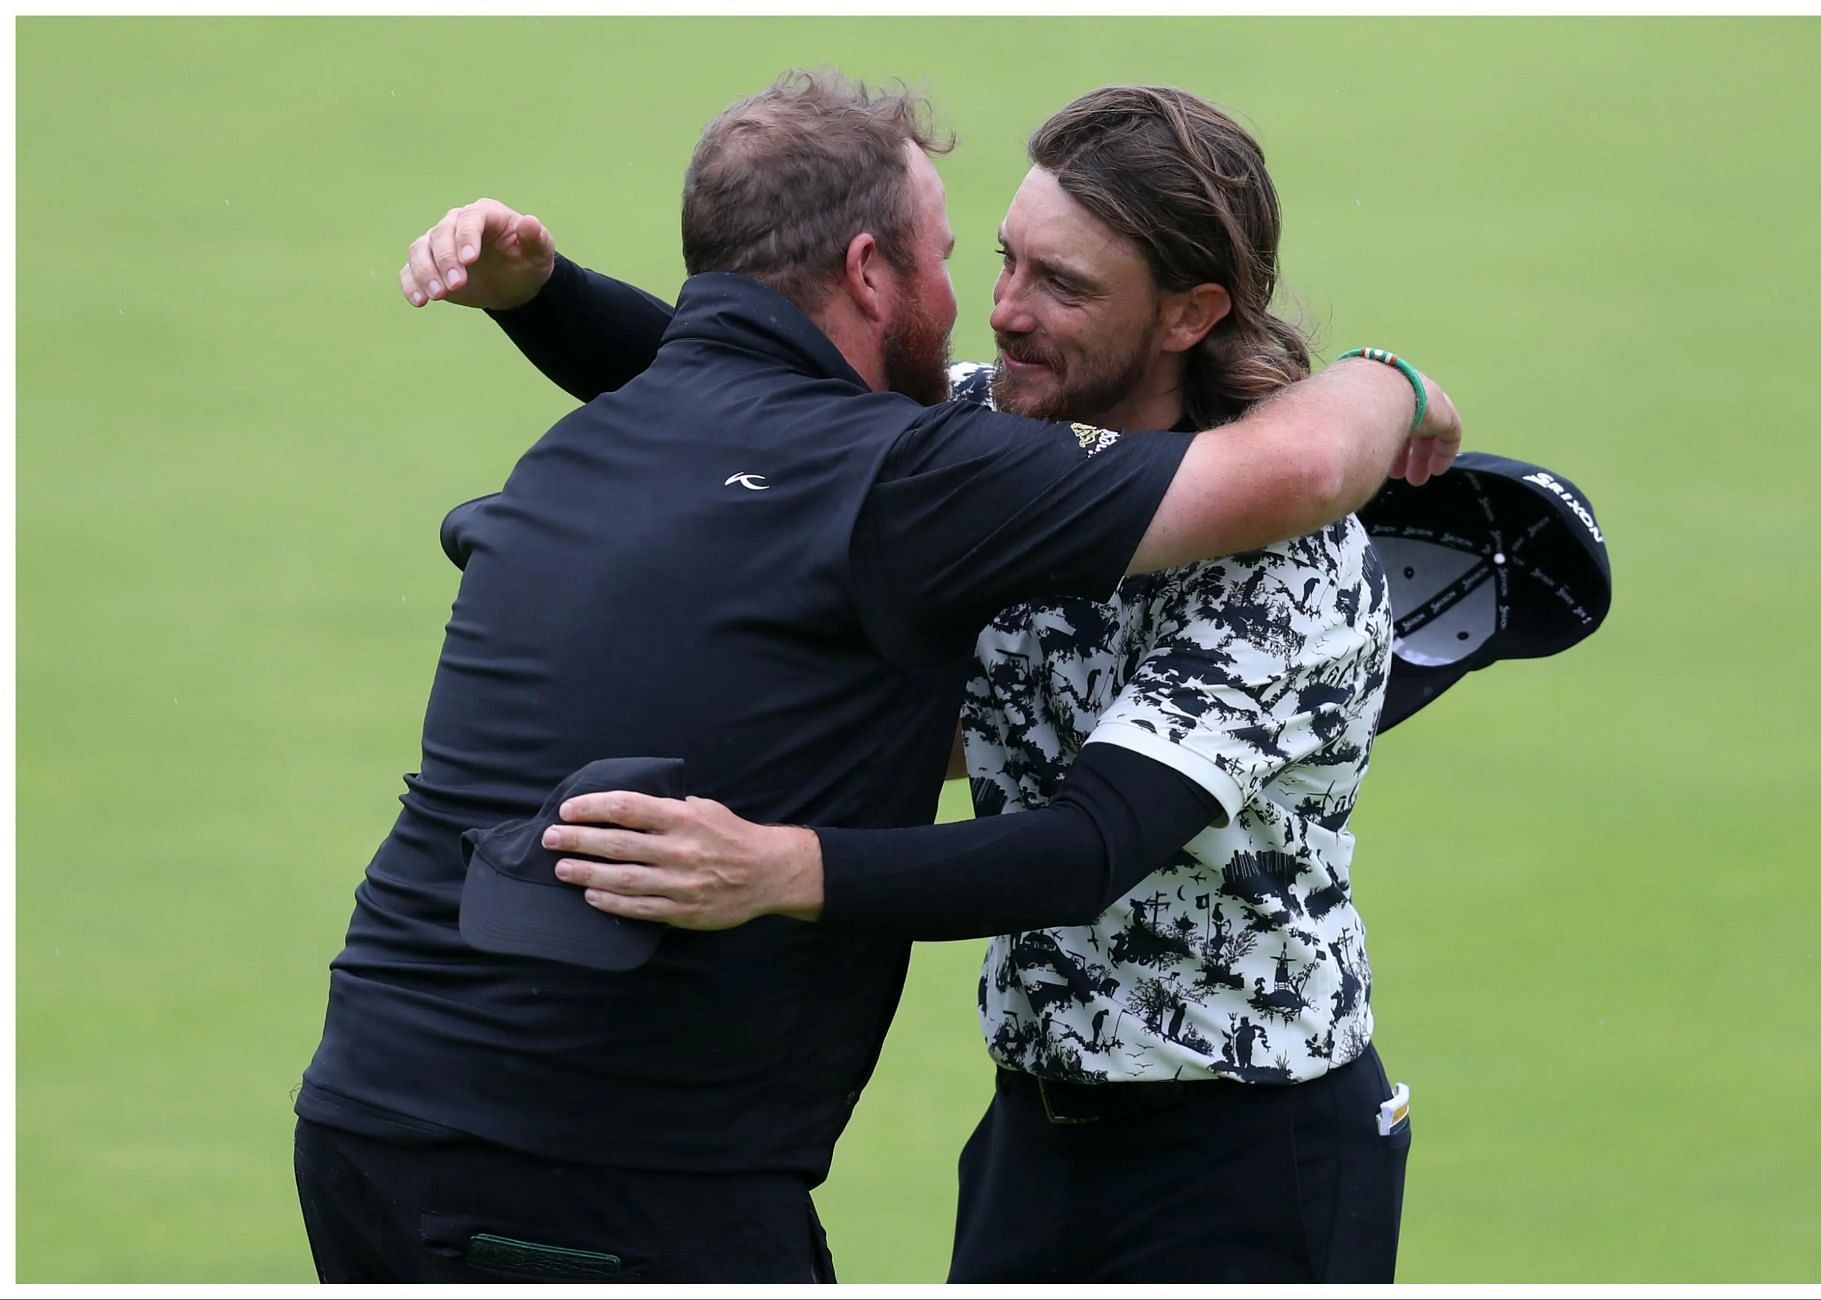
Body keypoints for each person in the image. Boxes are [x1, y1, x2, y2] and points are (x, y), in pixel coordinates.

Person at [296, 71, 1460, 1285]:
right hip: (1035, 1131)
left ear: (1186, 314)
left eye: (1061, 284)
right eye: (1003, 258)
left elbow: (1092, 845)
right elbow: (744, 397)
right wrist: (545, 296)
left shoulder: (1290, 566)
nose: (1002, 311)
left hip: (1246, 1143)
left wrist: (783, 866)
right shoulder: (980, 433)